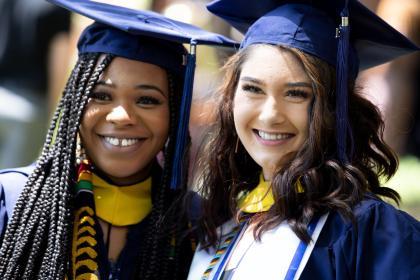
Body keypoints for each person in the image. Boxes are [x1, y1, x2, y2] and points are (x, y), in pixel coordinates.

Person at [0, 0, 236, 279]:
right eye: (101, 95)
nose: (122, 115)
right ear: (77, 103)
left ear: (175, 113)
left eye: (147, 100)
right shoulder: (13, 201)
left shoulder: (198, 225)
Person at [187, 0, 420, 279]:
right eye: (252, 89)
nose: (270, 114)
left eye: (296, 93)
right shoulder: (221, 227)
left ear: (334, 109)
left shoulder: (370, 233)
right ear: (231, 99)